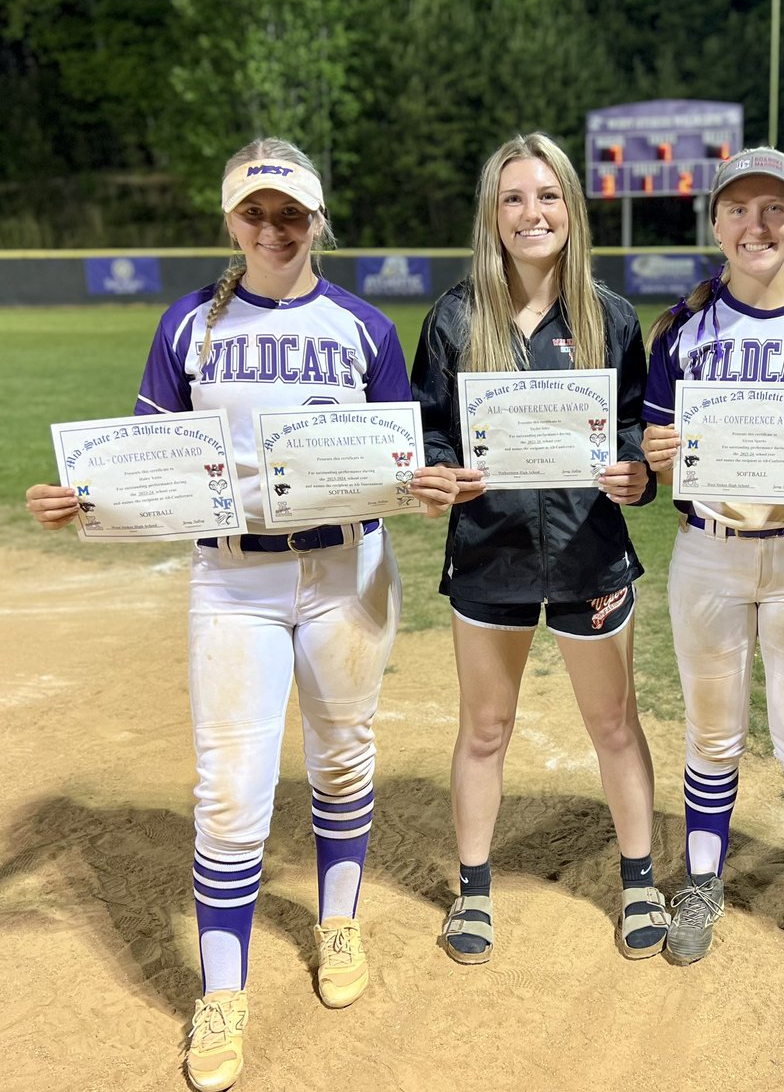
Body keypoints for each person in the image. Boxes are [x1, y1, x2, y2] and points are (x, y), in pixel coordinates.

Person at [26, 138, 458, 1092]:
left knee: (345, 751)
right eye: (255, 213)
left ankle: (337, 922)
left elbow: (400, 459)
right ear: (230, 221)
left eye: (290, 212)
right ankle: (224, 992)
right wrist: (82, 499)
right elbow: (148, 459)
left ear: (317, 221)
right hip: (233, 583)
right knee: (231, 790)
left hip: (347, 568)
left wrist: (427, 487)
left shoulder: (362, 327)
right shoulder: (189, 326)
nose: (274, 228)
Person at [409, 132, 668, 964]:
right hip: (492, 553)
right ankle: (473, 890)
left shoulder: (612, 317)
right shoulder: (456, 317)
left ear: (571, 210)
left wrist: (637, 476)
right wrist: (440, 475)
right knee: (486, 727)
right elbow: (430, 437)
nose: (533, 212)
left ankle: (639, 881)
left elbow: (635, 435)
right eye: (514, 198)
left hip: (591, 553)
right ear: (493, 214)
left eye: (548, 195)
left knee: (615, 725)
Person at [640, 147, 784, 982]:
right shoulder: (679, 327)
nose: (758, 224)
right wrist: (656, 451)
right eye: (739, 208)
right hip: (709, 552)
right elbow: (653, 451)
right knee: (713, 735)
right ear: (716, 224)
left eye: (776, 208)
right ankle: (701, 884)